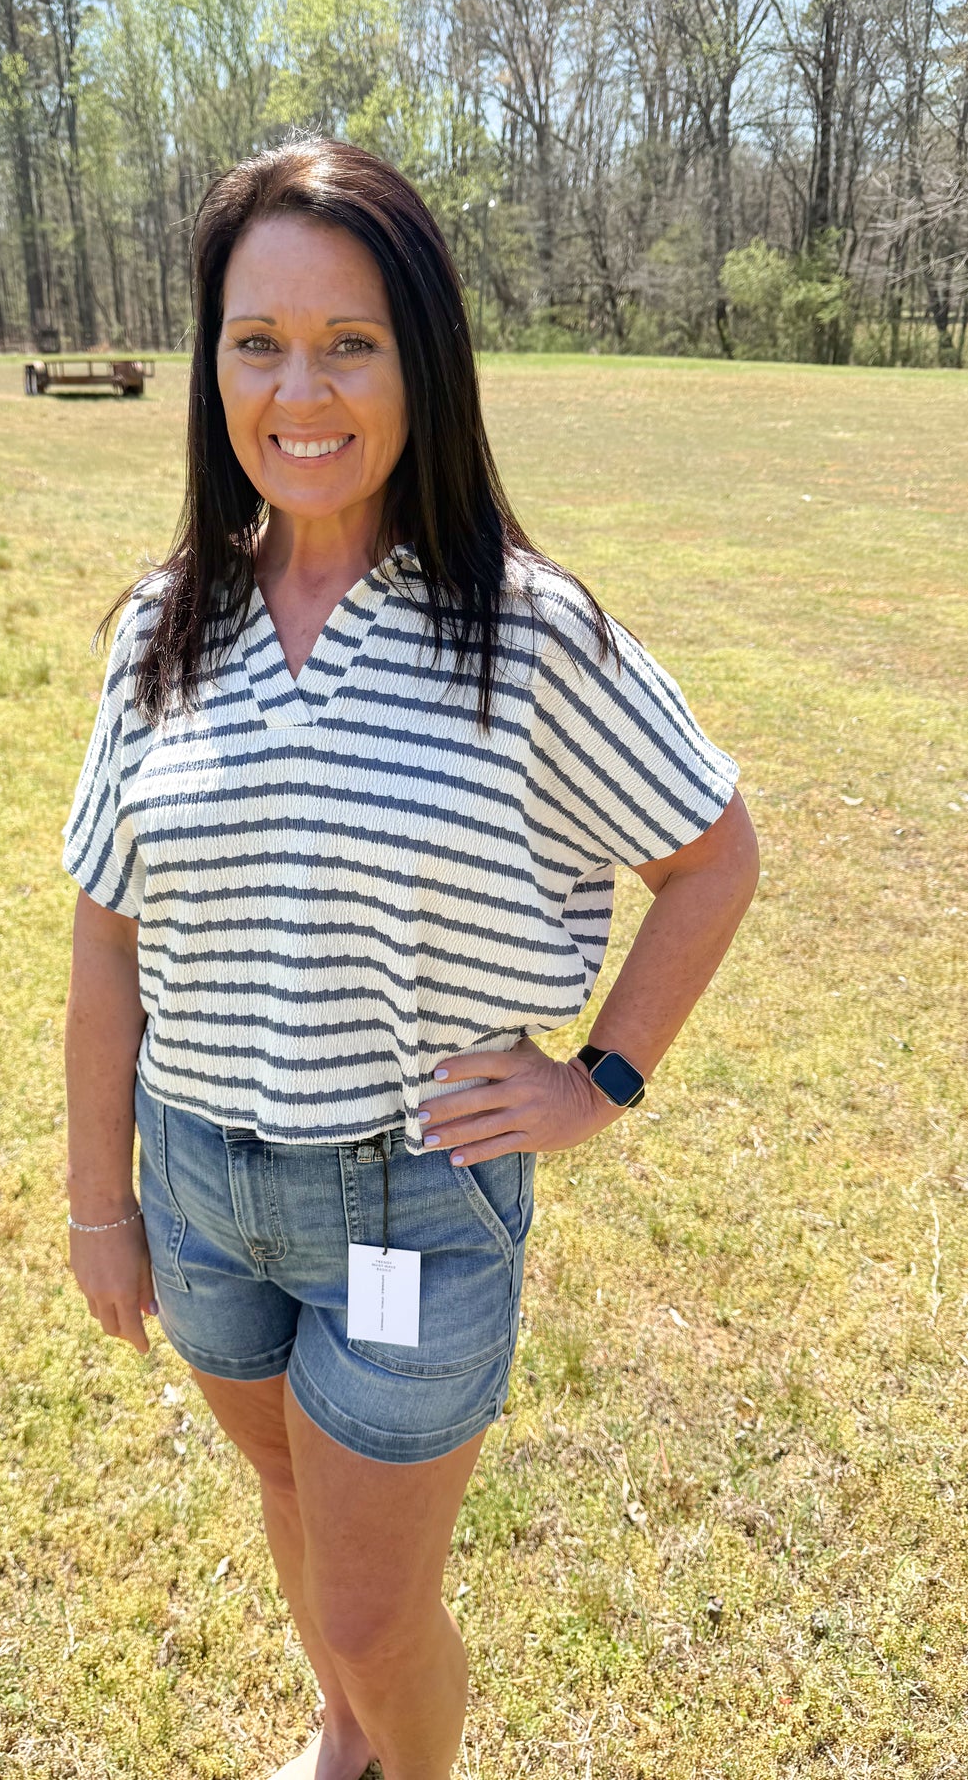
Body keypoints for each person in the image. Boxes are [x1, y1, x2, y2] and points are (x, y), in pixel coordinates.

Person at [61, 137, 760, 1780]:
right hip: (205, 1195)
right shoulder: (164, 623)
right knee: (296, 1511)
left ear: (421, 362)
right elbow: (106, 931)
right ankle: (344, 1738)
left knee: (379, 1607)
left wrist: (600, 1076)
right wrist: (103, 1203)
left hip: (408, 1211)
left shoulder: (524, 630)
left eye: (349, 342)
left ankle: (393, 1742)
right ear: (210, 365)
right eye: (256, 342)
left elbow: (713, 854)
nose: (298, 390)